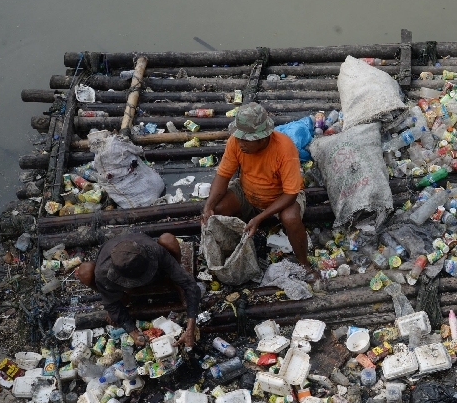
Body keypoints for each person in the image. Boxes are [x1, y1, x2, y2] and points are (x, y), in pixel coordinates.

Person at [201, 102, 314, 275]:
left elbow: (291, 194)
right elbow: (223, 175)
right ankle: (239, 244)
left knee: (290, 218)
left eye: (246, 140)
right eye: (239, 138)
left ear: (262, 138)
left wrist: (260, 217)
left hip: (280, 197)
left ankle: (304, 262)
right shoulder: (236, 143)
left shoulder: (284, 148)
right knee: (218, 208)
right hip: (247, 191)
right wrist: (209, 205)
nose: (240, 144)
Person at [76, 233, 201, 348]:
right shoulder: (103, 272)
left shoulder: (154, 250)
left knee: (168, 239)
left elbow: (190, 284)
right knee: (85, 272)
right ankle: (118, 297)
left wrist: (190, 328)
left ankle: (176, 282)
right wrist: (133, 332)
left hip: (158, 274)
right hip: (124, 288)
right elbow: (112, 306)